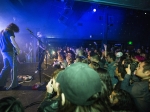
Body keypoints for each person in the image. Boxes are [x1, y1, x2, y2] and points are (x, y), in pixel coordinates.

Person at [0, 23, 20, 90]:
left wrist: (2, 50)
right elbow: (13, 42)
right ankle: (14, 85)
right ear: (13, 28)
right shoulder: (10, 31)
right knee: (14, 67)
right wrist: (18, 49)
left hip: (3, 52)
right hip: (10, 52)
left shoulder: (1, 32)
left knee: (6, 67)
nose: (14, 32)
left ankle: (1, 83)